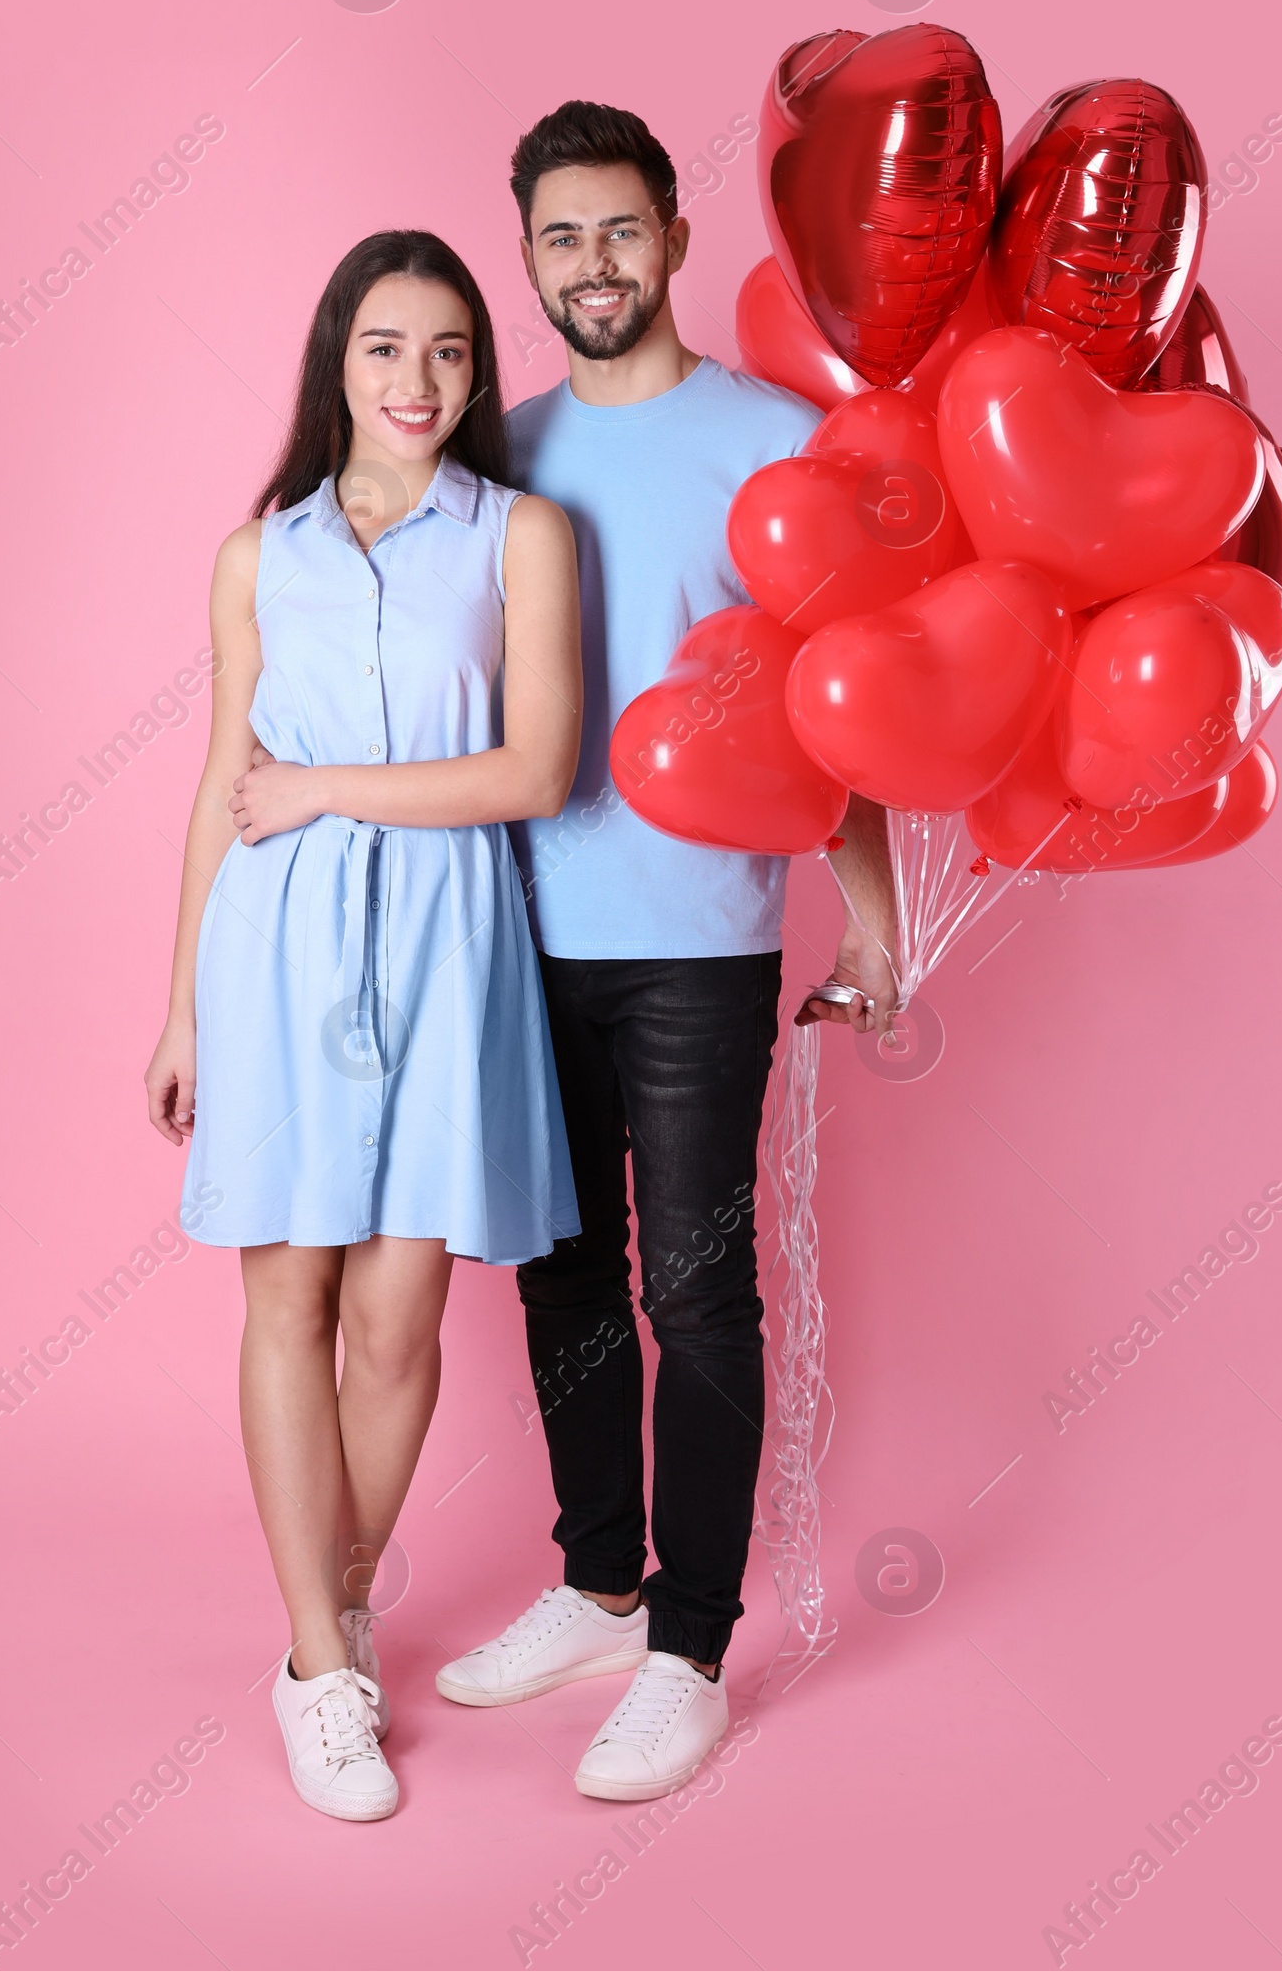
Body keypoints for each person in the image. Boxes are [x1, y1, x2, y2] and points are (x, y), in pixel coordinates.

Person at [435, 103, 898, 1803]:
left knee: (697, 1292)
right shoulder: (505, 453)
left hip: (702, 950)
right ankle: (599, 1583)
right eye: (561, 238)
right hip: (522, 941)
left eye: (622, 231)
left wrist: (878, 913)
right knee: (558, 1274)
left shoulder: (775, 442)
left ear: (678, 240)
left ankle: (693, 1648)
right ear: (531, 257)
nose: (594, 266)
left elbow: (841, 698)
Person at [144, 229, 582, 1823]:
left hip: (453, 939)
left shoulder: (523, 535)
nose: (418, 380)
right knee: (290, 1297)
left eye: (452, 350)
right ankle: (328, 1667)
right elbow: (219, 782)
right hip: (277, 948)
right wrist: (182, 1001)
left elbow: (532, 773)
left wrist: (324, 787)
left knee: (401, 1316)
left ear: (479, 371)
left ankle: (327, 1613)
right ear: (338, 359)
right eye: (388, 346)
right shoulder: (262, 554)